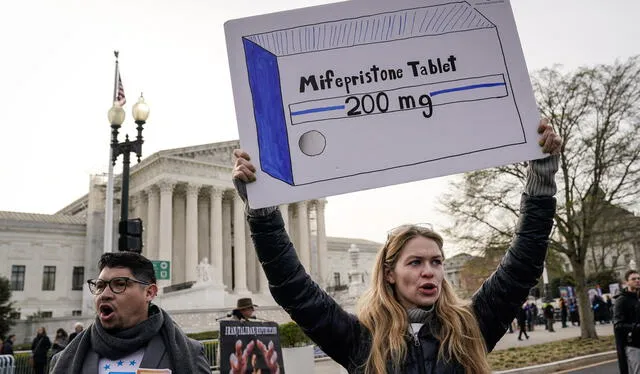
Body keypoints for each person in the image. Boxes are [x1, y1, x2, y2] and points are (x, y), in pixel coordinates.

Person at [232, 119, 562, 373]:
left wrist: (542, 180)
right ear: (389, 273)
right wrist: (262, 212)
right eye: (416, 262)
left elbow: (521, 266)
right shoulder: (360, 340)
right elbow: (294, 289)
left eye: (436, 261)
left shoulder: (470, 327)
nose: (429, 271)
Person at [49, 251, 210, 374]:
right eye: (99, 286)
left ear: (149, 293)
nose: (104, 294)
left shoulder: (190, 354)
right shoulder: (63, 360)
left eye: (119, 284)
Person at [613, 269, 640, 374]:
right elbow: (618, 325)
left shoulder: (638, 298)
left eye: (639, 278)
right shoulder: (621, 300)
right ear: (626, 282)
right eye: (633, 279)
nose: (637, 281)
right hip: (633, 344)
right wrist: (636, 327)